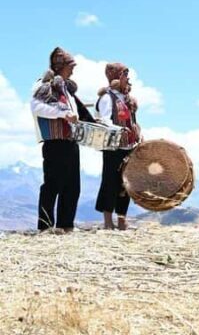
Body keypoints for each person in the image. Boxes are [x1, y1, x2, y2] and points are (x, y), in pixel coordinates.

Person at [30, 47, 96, 232]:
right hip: (55, 143)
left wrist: (91, 121)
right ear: (61, 66)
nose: (73, 69)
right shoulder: (43, 85)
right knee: (53, 185)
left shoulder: (67, 89)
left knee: (72, 186)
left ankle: (65, 226)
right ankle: (45, 227)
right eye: (70, 65)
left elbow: (77, 112)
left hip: (70, 142)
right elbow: (36, 107)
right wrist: (62, 114)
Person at [95, 62, 141, 230]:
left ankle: (122, 219)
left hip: (129, 146)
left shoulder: (127, 99)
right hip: (113, 147)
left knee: (126, 183)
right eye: (125, 75)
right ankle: (108, 221)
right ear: (117, 77)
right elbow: (104, 119)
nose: (128, 79)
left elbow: (131, 120)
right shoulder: (108, 98)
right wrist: (118, 129)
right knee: (110, 182)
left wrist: (137, 131)